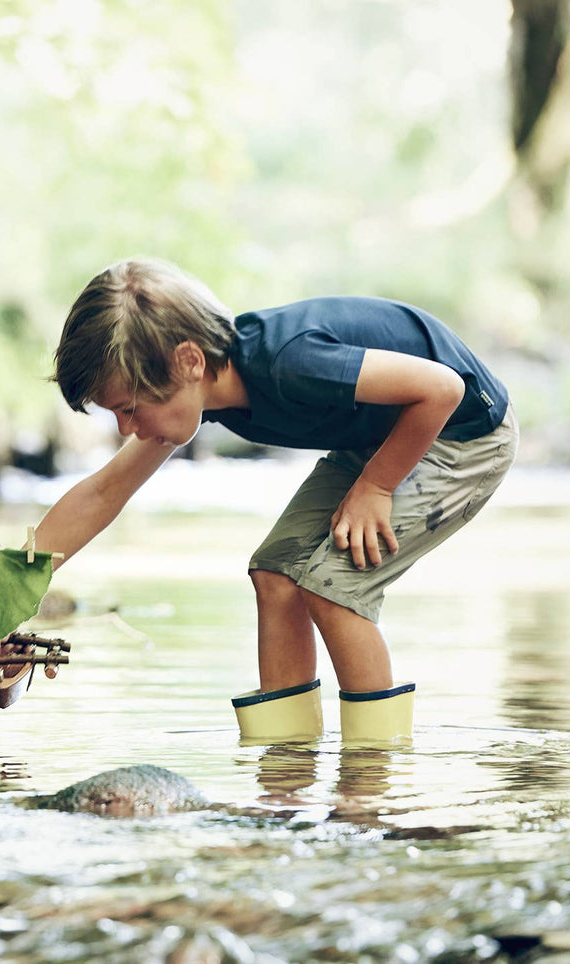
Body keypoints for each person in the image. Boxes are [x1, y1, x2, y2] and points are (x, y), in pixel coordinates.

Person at [34, 258, 517, 744]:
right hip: (381, 434)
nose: (124, 429)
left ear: (189, 361)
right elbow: (103, 492)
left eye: (129, 409)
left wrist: (375, 488)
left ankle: (370, 786)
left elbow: (442, 388)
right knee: (277, 574)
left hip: (463, 433)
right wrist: (7, 589)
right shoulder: (203, 389)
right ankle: (287, 777)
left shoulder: (291, 362)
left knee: (333, 586)